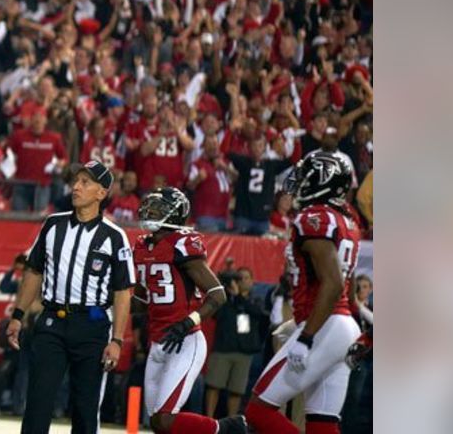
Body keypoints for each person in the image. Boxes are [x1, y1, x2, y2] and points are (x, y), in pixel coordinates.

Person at [5, 161, 134, 434]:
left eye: (86, 182)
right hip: (52, 319)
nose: (76, 186)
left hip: (93, 321)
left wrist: (117, 340)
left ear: (102, 193)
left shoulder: (115, 236)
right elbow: (34, 271)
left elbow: (123, 292)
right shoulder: (53, 225)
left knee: (85, 408)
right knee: (38, 403)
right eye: (76, 181)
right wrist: (18, 315)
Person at [245, 151, 364, 434]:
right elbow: (342, 286)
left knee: (258, 410)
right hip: (340, 325)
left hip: (325, 325)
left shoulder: (314, 217)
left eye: (307, 176)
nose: (300, 182)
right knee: (322, 424)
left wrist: (307, 336)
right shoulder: (347, 221)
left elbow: (333, 284)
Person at [133, 187, 246, 434]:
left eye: (158, 208)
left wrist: (186, 323)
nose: (150, 212)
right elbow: (140, 302)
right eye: (150, 206)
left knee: (164, 418)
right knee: (157, 424)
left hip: (185, 340)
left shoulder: (182, 244)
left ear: (174, 215)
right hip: (157, 341)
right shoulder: (142, 247)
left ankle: (226, 428)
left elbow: (218, 294)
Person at [205, 268, 268, 419]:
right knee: (214, 385)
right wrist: (228, 293)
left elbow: (258, 314)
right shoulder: (225, 298)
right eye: (239, 278)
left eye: (246, 278)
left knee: (237, 389)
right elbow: (216, 315)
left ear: (252, 281)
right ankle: (208, 419)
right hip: (223, 349)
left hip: (244, 352)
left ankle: (232, 421)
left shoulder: (255, 299)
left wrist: (238, 296)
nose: (242, 281)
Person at [6, 105, 69, 212]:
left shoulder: (54, 138)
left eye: (40, 119)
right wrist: (9, 171)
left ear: (45, 121)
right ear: (31, 120)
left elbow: (64, 158)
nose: (38, 122)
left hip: (42, 184)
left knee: (39, 218)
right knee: (17, 217)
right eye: (35, 119)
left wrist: (59, 164)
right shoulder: (19, 136)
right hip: (21, 183)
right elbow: (8, 153)